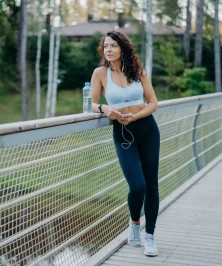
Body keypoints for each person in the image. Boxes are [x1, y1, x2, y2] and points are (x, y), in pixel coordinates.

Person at [90, 31, 160, 257]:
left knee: (151, 185)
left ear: (123, 49)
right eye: (105, 46)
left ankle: (150, 236)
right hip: (122, 132)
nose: (108, 50)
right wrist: (105, 109)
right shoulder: (100, 73)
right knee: (137, 185)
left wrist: (136, 117)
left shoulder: (139, 72)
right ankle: (134, 223)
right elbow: (90, 104)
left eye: (113, 46)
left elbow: (153, 103)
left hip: (147, 130)